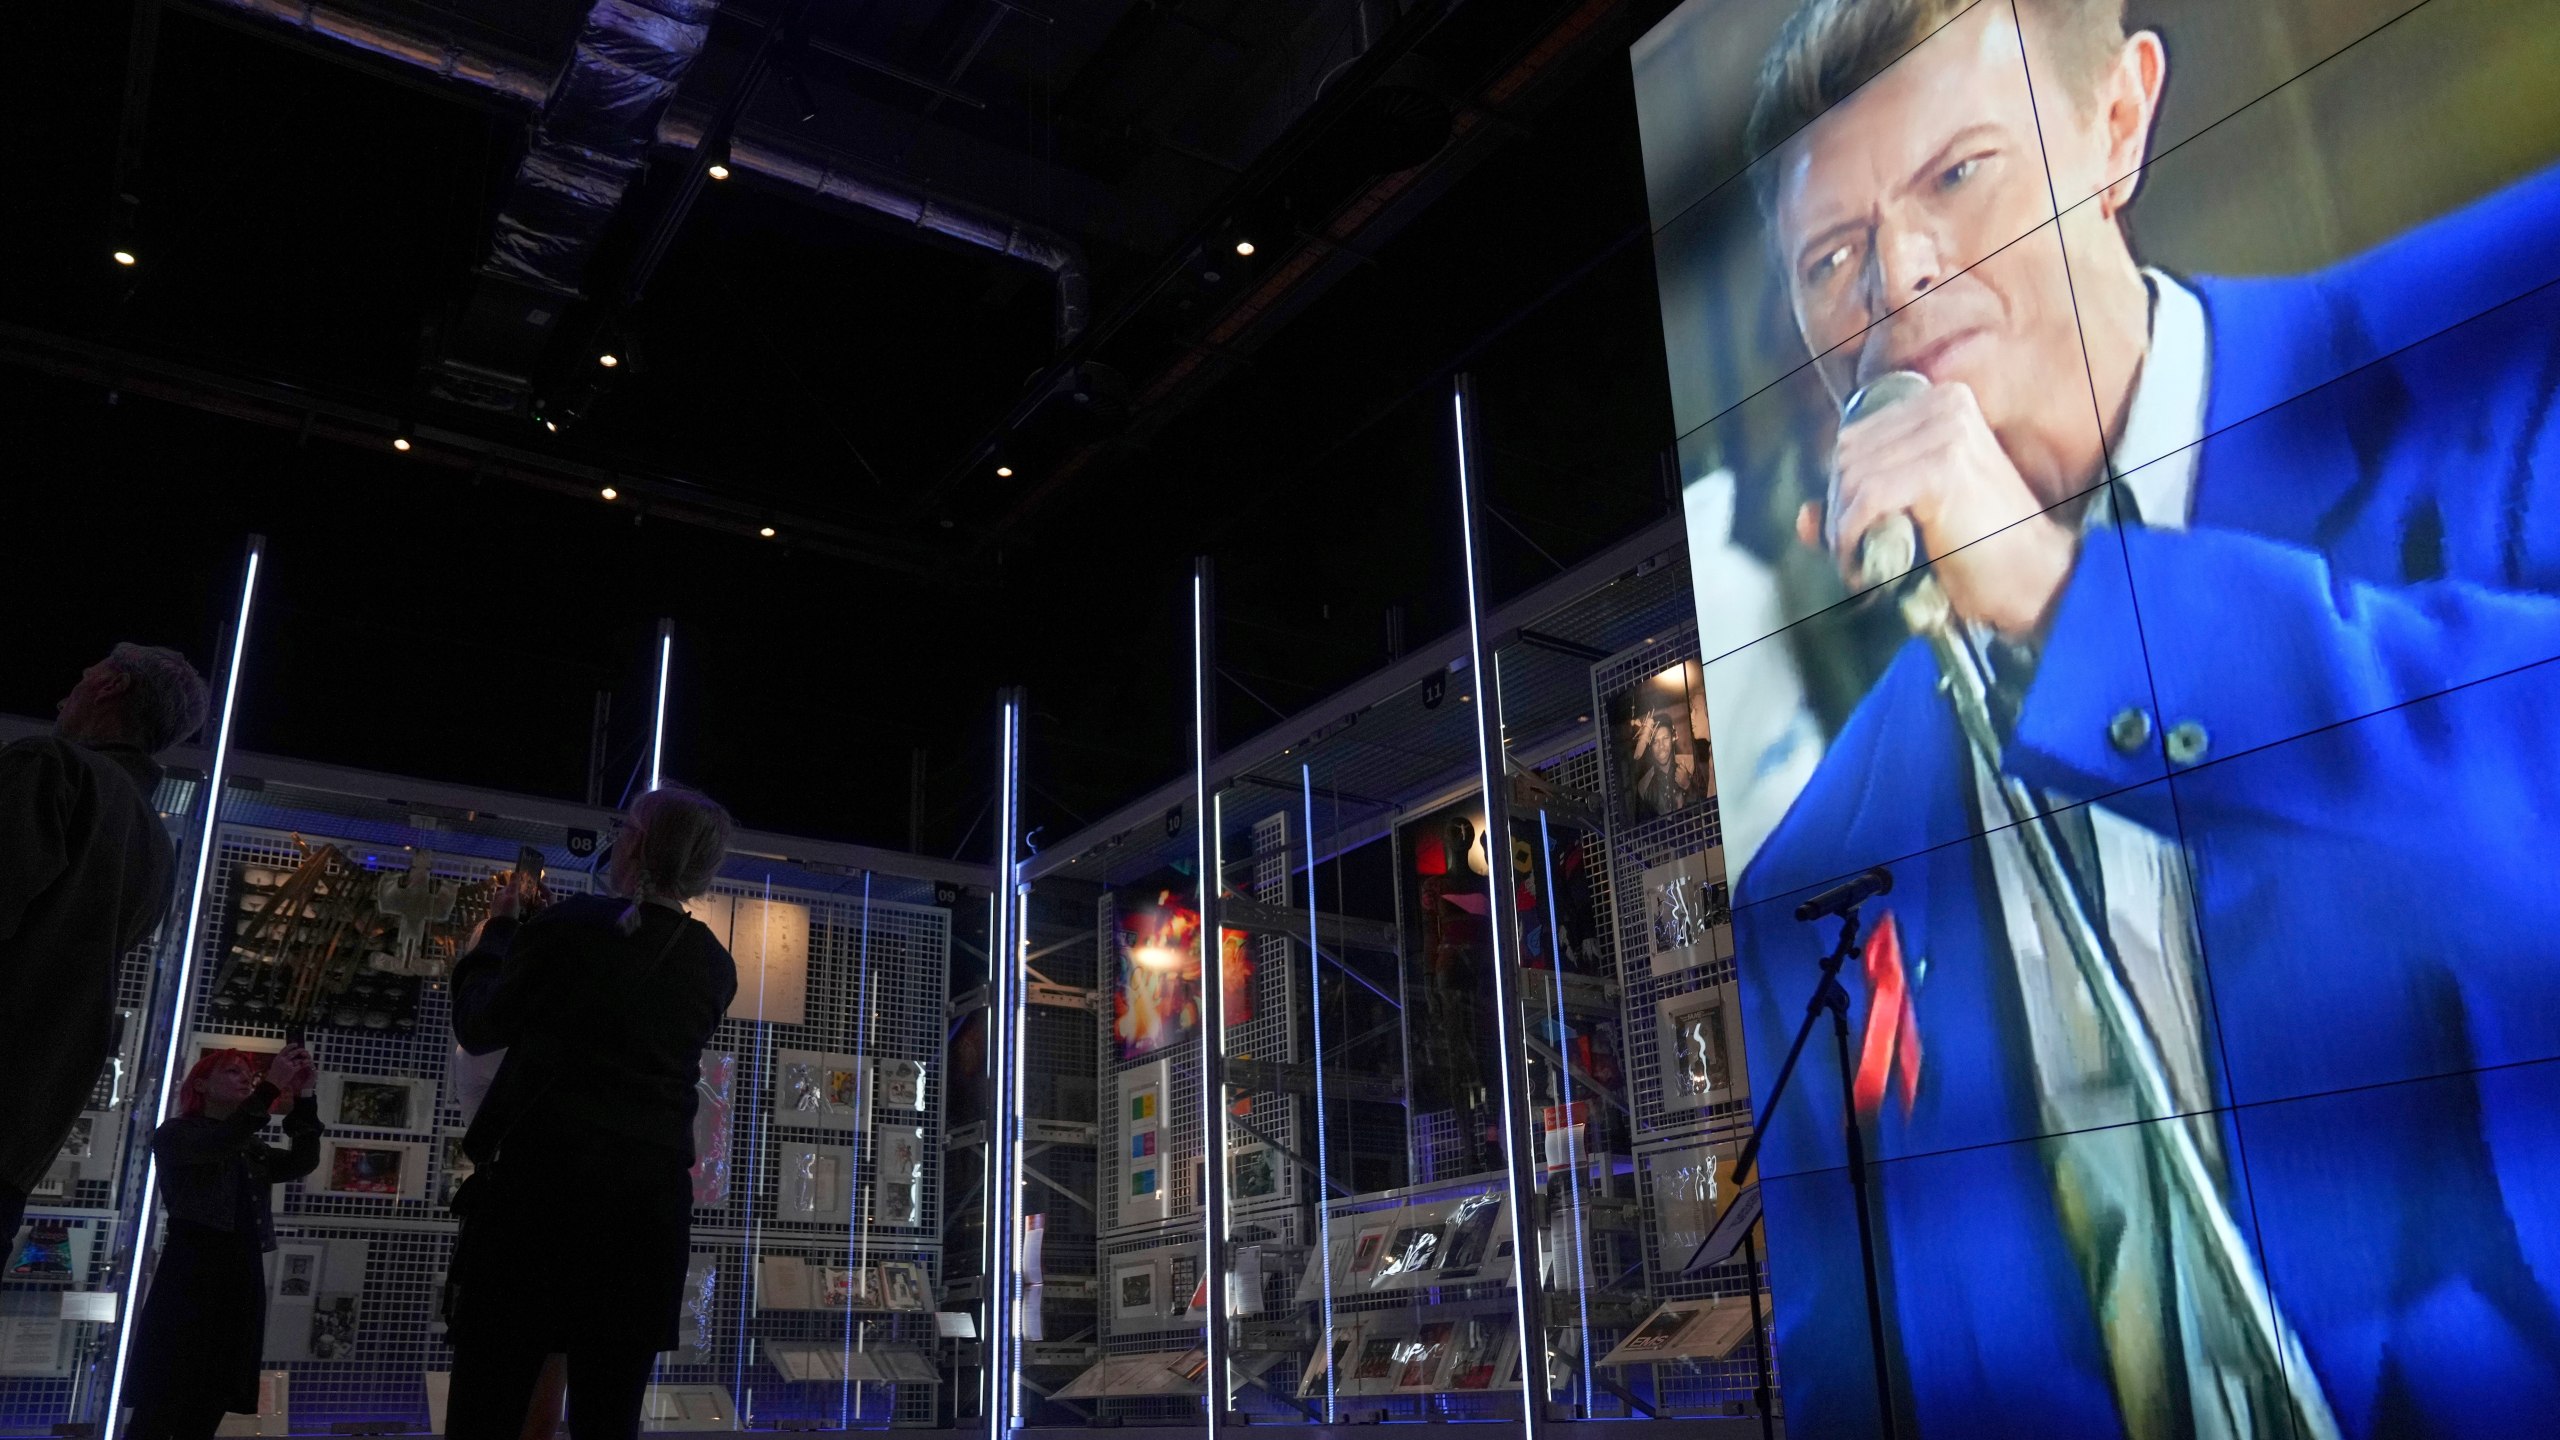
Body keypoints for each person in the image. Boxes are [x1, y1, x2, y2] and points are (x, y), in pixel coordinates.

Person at [1721, 2, 2560, 1437]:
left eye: (1956, 176)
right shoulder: (1819, 865)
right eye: (1830, 256)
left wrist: (2063, 598)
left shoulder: (2491, 381)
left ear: (2121, 122)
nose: (1900, 276)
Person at [443, 785, 737, 1440]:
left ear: (634, 844)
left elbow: (482, 1024)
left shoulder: (567, 926)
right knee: (609, 1414)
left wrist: (500, 934)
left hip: (540, 1200)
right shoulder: (713, 963)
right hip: (646, 1216)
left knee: (490, 1402)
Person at [0, 646, 209, 1243]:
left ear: (112, 685)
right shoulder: (154, 845)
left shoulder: (49, 765)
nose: (64, 698)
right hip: (26, 1131)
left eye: (80, 678)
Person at [125, 1044, 320, 1440]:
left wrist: (304, 1096)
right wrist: (271, 1087)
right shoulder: (178, 1134)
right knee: (164, 1398)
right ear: (201, 1084)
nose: (245, 1079)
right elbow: (220, 1143)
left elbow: (302, 1162)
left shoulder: (247, 1146)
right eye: (232, 1071)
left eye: (246, 1073)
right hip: (193, 1274)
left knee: (211, 1397)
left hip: (237, 1274)